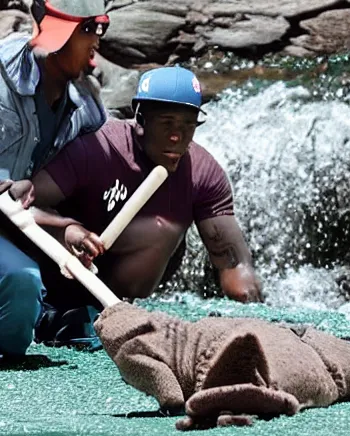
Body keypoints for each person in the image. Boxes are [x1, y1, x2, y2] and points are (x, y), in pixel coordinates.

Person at [28, 66, 263, 350]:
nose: (177, 137)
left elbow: (234, 263)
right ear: (140, 117)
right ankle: (52, 313)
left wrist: (256, 318)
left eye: (188, 125)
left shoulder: (203, 173)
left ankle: (108, 312)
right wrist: (67, 232)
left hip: (124, 288)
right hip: (61, 271)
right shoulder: (98, 147)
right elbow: (24, 206)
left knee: (162, 229)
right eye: (167, 123)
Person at [0, 0, 110, 358]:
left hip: (19, 226)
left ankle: (46, 316)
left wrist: (68, 230)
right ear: (61, 35)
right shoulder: (1, 75)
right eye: (89, 30)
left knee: (21, 312)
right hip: (14, 229)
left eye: (101, 28)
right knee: (21, 282)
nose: (98, 42)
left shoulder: (87, 108)